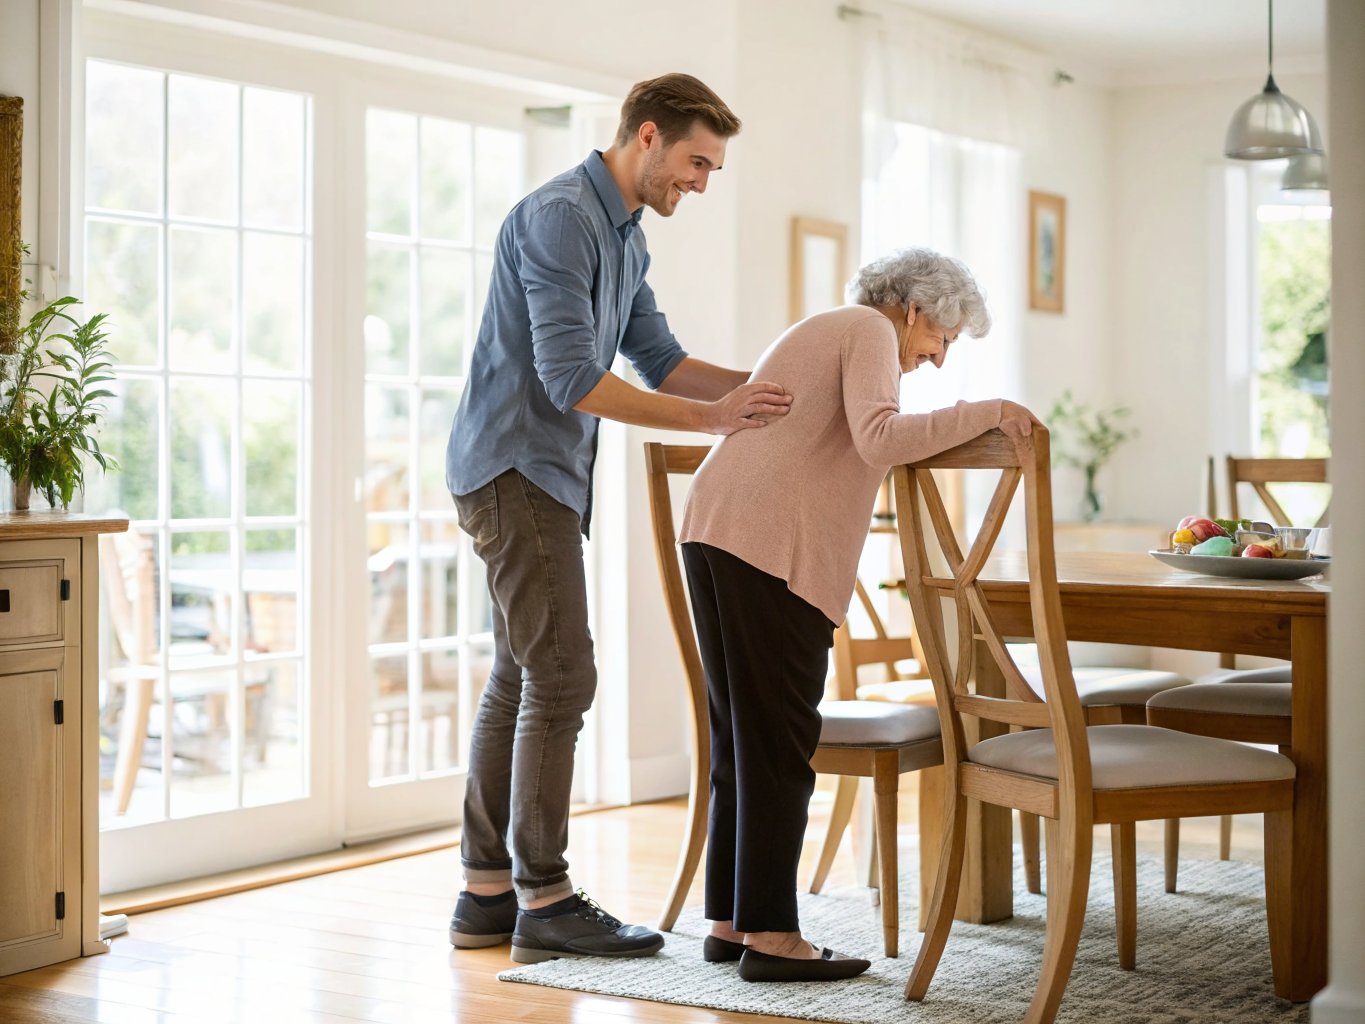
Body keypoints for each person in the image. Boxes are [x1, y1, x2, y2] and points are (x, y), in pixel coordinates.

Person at [444, 74, 793, 964]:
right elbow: (570, 380)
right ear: (646, 137)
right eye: (695, 162)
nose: (702, 183)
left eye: (711, 168)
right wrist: (717, 422)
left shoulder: (626, 237)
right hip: (515, 465)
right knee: (563, 675)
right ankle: (545, 898)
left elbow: (662, 361)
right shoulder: (561, 216)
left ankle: (487, 894)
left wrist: (773, 393)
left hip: (538, 471)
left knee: (521, 675)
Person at [677, 247, 1042, 982]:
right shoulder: (868, 331)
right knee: (778, 741)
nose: (936, 360)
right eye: (941, 340)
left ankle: (730, 921)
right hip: (765, 543)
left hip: (719, 529)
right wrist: (990, 411)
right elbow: (881, 435)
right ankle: (773, 938)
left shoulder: (835, 327)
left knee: (741, 738)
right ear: (914, 309)